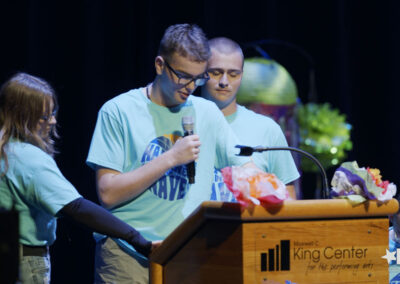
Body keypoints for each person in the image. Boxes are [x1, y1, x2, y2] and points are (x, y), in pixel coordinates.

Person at [86, 24, 252, 283]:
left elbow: (245, 166)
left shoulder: (207, 113)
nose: (190, 87)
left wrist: (253, 178)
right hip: (127, 254)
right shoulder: (118, 111)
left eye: (199, 78)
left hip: (186, 253)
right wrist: (171, 158)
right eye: (183, 76)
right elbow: (108, 193)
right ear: (160, 65)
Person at [0, 72, 160, 284]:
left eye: (53, 113)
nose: (53, 121)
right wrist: (136, 238)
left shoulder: (6, 151)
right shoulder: (27, 159)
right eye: (45, 116)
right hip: (25, 261)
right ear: (23, 117)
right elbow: (76, 208)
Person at [201, 37, 300, 201]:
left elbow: (289, 198)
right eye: (216, 73)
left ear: (242, 75)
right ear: (200, 72)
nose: (224, 82)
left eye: (233, 74)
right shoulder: (181, 121)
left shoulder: (268, 129)